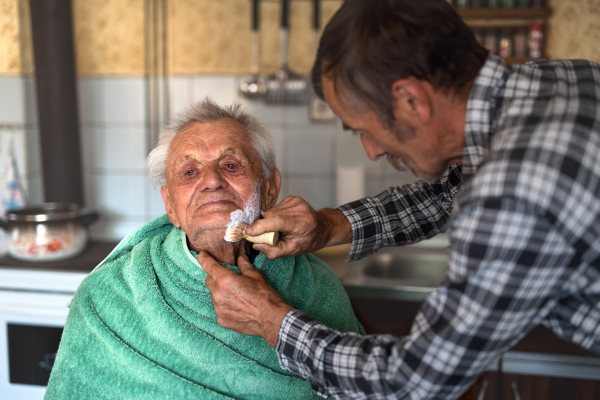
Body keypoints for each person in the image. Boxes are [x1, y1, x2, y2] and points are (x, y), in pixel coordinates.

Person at [200, 0, 600, 399]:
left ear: (412, 100)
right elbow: (450, 192)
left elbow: (411, 384)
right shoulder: (562, 79)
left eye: (364, 129)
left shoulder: (516, 190)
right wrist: (330, 225)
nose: (372, 151)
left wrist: (271, 321)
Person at [45, 99, 364, 399]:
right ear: (170, 206)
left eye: (230, 164)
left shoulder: (317, 286)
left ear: (269, 190)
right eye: (189, 172)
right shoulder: (108, 294)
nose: (211, 180)